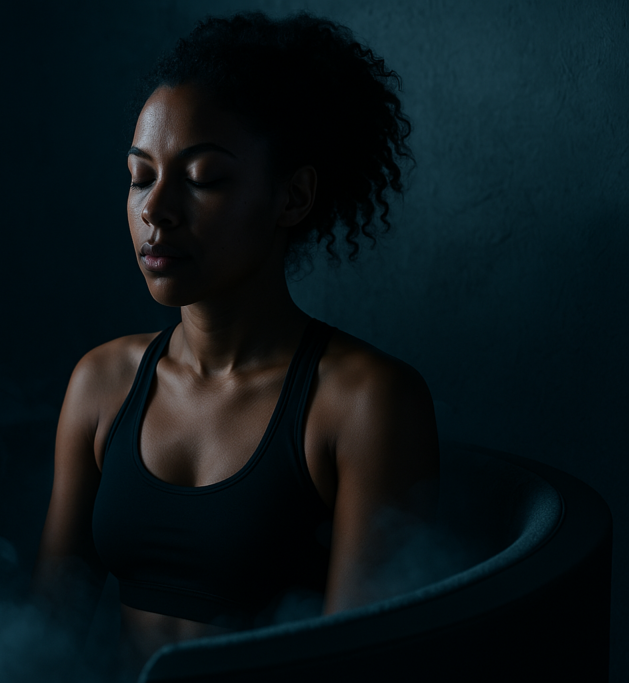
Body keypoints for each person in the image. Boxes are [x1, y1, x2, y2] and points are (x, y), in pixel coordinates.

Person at [33, 9, 440, 672]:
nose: (156, 210)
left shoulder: (365, 401)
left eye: (203, 179)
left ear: (293, 197)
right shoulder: (102, 382)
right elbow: (49, 630)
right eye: (140, 176)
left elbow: (363, 663)